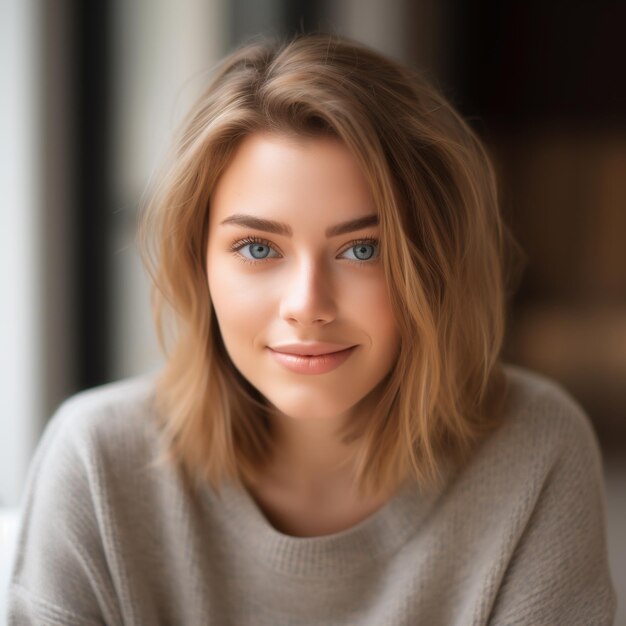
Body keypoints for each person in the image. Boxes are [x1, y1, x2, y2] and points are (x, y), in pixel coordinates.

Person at [7, 34, 616, 625]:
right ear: (199, 264)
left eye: (361, 250)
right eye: (255, 247)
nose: (306, 305)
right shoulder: (96, 461)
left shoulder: (535, 450)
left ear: (437, 264)